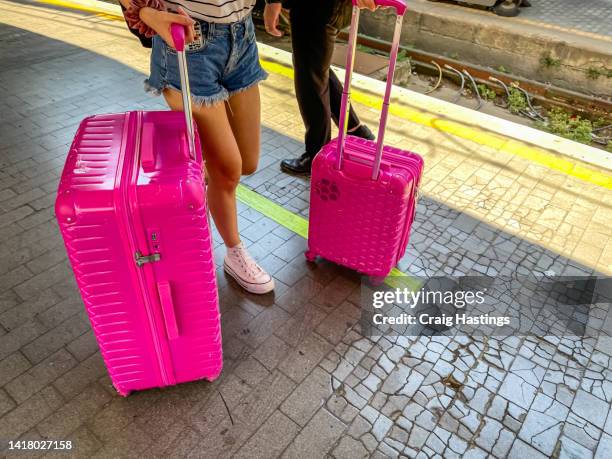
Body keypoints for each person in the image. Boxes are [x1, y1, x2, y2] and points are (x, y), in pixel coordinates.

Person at [120, 0, 275, 294]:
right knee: (229, 170)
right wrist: (147, 13)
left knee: (247, 162)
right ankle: (234, 251)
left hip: (242, 37)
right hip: (187, 42)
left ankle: (199, 176)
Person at [264, 0, 378, 176]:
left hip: (315, 6)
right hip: (336, 7)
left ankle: (317, 154)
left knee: (310, 75)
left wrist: (273, 1)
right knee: (315, 65)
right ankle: (355, 129)